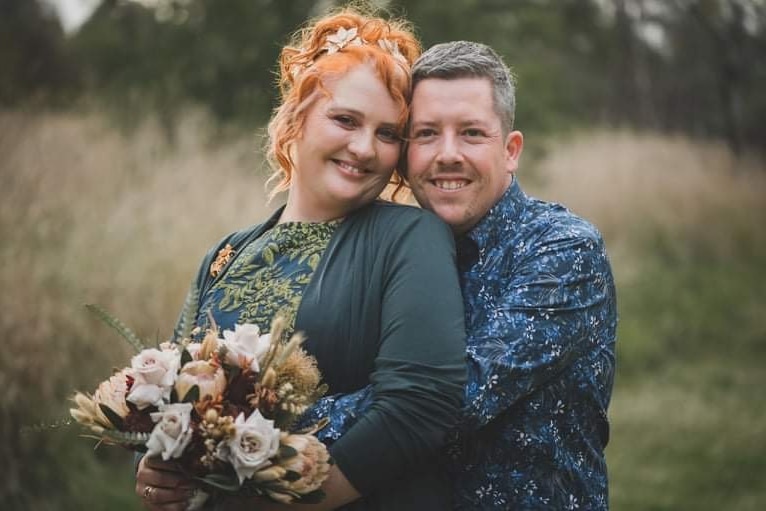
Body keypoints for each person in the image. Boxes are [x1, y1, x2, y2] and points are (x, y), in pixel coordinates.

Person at [134, 10, 466, 511]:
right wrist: (157, 464)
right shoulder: (225, 255)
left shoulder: (410, 237)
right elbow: (176, 399)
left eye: (387, 133)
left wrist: (278, 503)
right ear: (297, 116)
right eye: (346, 120)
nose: (363, 148)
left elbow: (420, 406)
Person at [304, 40, 618, 510]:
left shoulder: (562, 249)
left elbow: (442, 401)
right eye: (427, 134)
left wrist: (255, 426)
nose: (447, 154)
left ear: (510, 150)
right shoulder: (389, 248)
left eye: (471, 133)